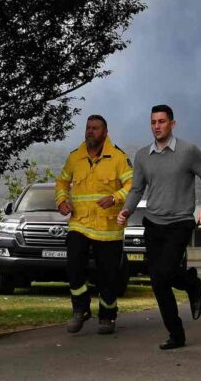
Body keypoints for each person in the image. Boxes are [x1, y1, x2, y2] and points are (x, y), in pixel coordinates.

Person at [118, 104, 201, 350]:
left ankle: (191, 283)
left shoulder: (188, 151)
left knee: (165, 271)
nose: (157, 126)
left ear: (173, 123)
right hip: (153, 223)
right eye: (153, 122)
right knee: (158, 282)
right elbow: (137, 189)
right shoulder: (142, 156)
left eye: (162, 121)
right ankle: (176, 335)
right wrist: (127, 209)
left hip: (180, 222)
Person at [55, 114, 133, 335]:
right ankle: (80, 309)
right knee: (74, 264)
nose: (90, 131)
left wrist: (116, 197)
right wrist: (61, 200)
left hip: (108, 229)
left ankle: (107, 316)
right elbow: (62, 181)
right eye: (88, 127)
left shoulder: (118, 157)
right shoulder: (75, 157)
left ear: (105, 132)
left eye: (95, 128)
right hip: (79, 223)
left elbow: (132, 184)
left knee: (108, 275)